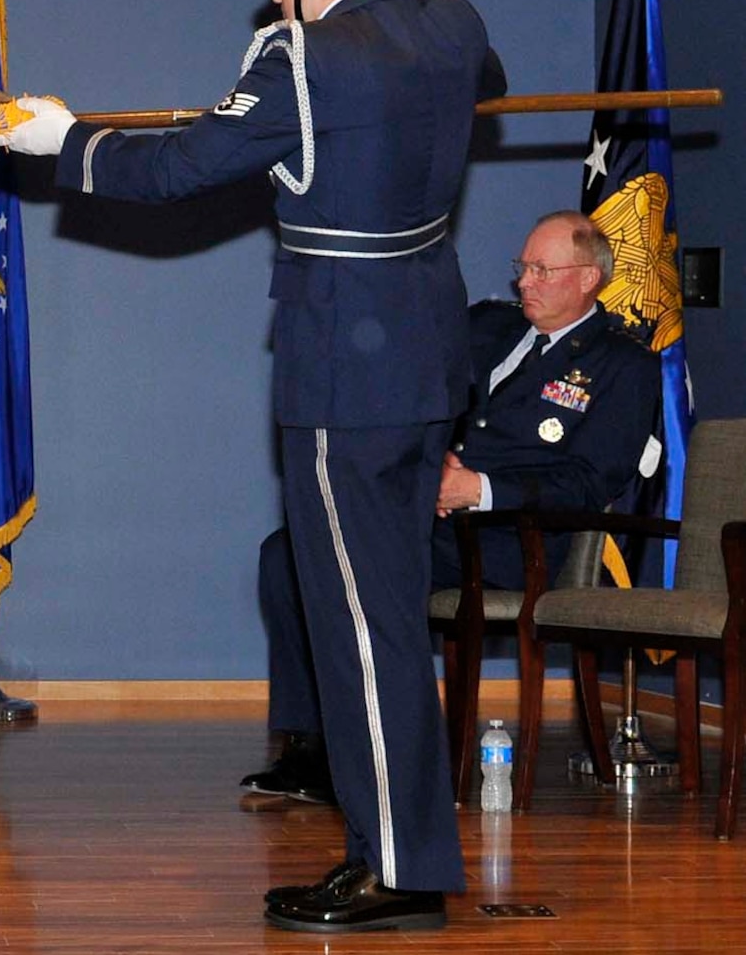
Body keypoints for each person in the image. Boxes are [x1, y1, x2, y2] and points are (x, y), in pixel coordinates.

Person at [0, 0, 507, 933]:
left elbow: (177, 169)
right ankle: (395, 849)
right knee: (384, 619)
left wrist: (64, 140)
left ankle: (400, 870)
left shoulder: (305, 64)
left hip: (341, 370)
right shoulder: (449, 25)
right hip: (425, 356)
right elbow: (478, 82)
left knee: (356, 629)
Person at [247, 211, 661, 808]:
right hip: (426, 515)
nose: (526, 282)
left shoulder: (623, 364)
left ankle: (384, 761)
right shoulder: (488, 328)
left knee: (364, 568)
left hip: (512, 541)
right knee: (288, 554)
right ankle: (310, 749)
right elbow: (412, 384)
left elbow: (592, 479)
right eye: (523, 267)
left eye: (543, 270)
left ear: (589, 279)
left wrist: (482, 489)